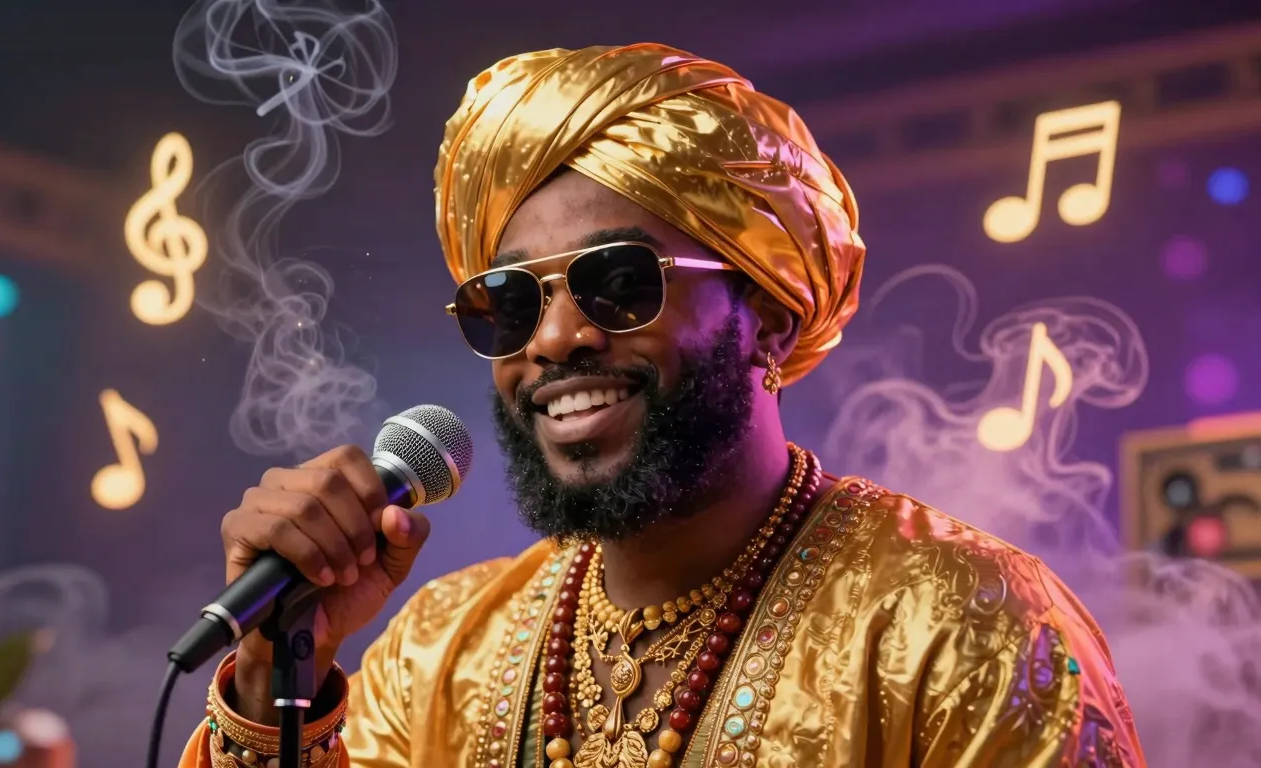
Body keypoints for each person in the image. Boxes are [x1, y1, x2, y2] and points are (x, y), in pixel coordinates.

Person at [180, 43, 1144, 768]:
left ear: (768, 317)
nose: (555, 339)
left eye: (618, 282)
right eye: (509, 302)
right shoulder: (437, 653)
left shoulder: (963, 628)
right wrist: (275, 672)